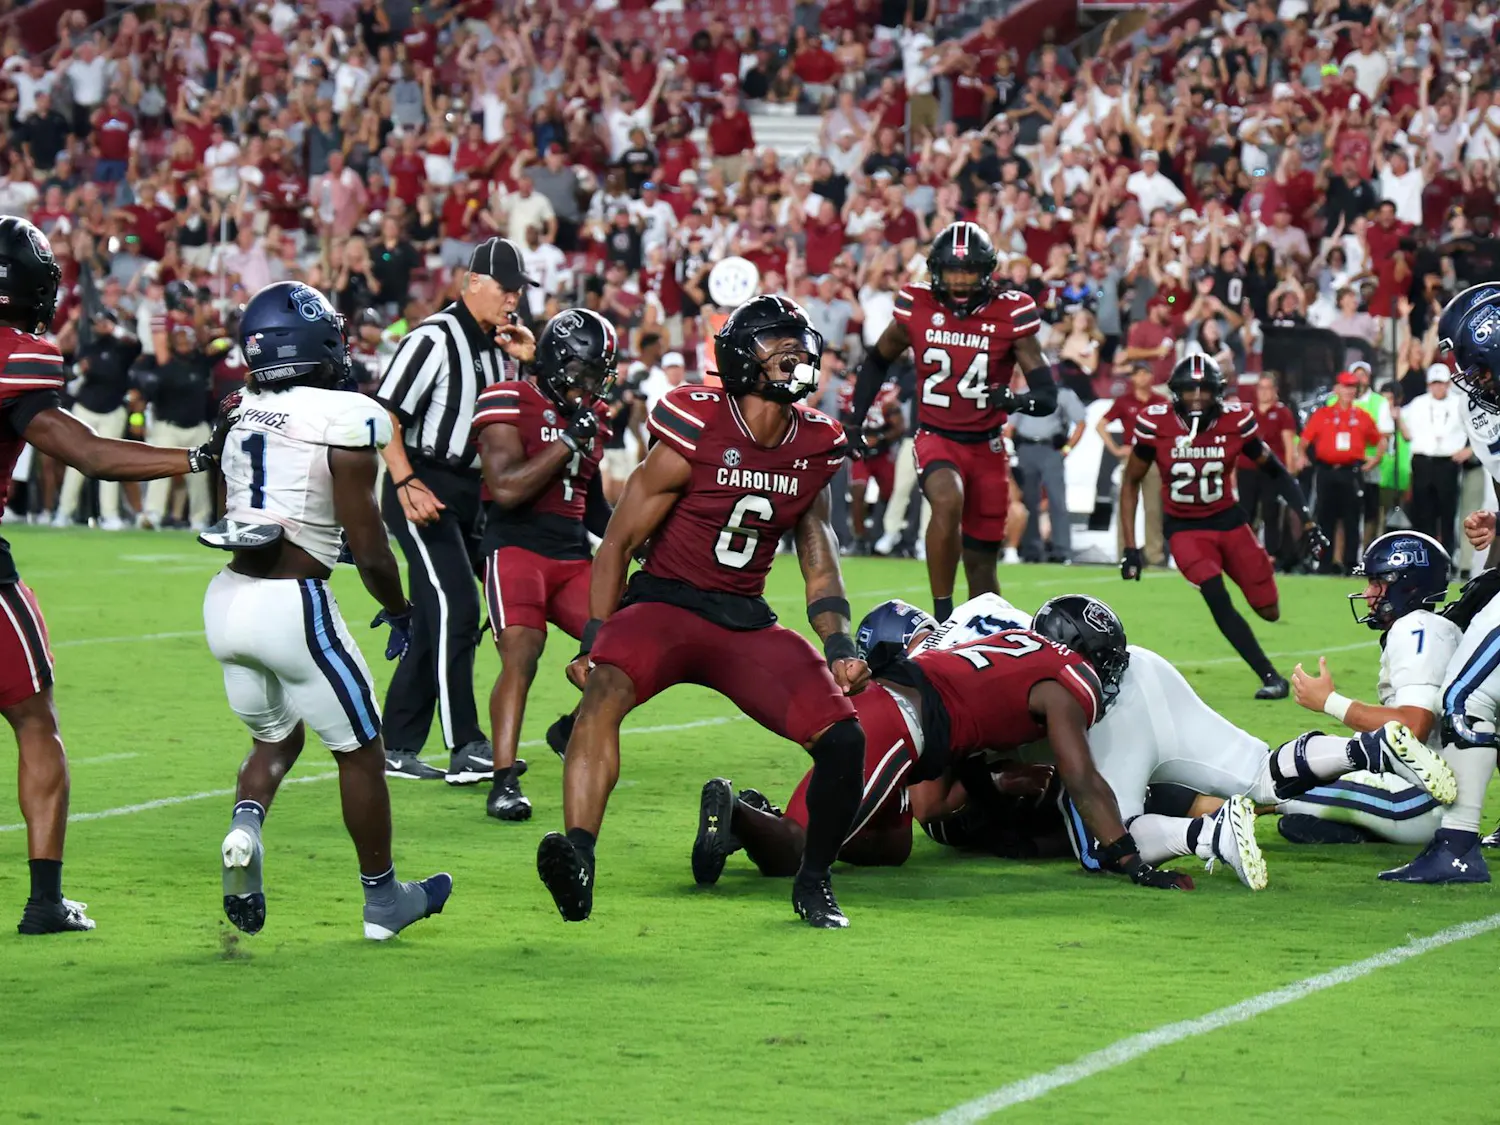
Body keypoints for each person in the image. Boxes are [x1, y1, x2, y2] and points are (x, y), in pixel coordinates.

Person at [537, 295, 868, 929]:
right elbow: (620, 544)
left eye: (800, 343)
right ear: (744, 358)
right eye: (780, 344)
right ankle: (578, 857)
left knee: (845, 738)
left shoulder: (816, 443)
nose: (797, 355)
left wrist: (838, 643)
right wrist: (593, 638)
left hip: (744, 617)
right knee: (603, 690)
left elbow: (818, 559)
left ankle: (815, 882)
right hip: (664, 603)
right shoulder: (695, 425)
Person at [0, 217, 229, 934]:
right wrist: (194, 459)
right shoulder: (21, 353)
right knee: (35, 717)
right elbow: (86, 452)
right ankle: (44, 901)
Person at [204, 280, 451, 940]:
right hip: (293, 602)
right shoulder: (344, 413)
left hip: (226, 600)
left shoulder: (240, 406)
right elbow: (368, 546)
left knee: (276, 735)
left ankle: (245, 825)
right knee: (363, 752)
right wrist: (400, 608)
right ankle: (382, 901)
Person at [692, 597, 1196, 891]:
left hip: (894, 709)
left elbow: (970, 739)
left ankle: (762, 817)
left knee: (892, 846)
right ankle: (735, 811)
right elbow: (1081, 778)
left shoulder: (1013, 645)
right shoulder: (1070, 678)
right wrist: (1132, 861)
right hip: (899, 719)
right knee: (797, 855)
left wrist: (993, 795)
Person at [374, 237, 538, 784]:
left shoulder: (505, 345)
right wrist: (405, 482)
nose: (513, 299)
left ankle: (394, 744)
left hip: (478, 493)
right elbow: (385, 417)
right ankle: (465, 742)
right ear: (472, 283)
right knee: (458, 609)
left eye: (519, 289)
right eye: (506, 288)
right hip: (425, 482)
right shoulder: (434, 338)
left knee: (443, 616)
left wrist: (533, 364)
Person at [847, 221, 1056, 623]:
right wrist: (854, 421)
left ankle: (987, 635)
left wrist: (1015, 400)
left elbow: (1046, 395)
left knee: (983, 569)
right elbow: (877, 360)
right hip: (937, 435)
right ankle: (942, 618)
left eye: (969, 272)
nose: (960, 282)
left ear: (988, 272)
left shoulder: (1011, 312)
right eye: (952, 272)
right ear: (935, 272)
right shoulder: (917, 304)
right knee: (947, 498)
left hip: (988, 446)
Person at [470, 309, 616, 821]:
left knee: (627, 646)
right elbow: (506, 489)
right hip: (516, 550)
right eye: (585, 372)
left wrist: (640, 538)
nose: (593, 384)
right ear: (558, 362)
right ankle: (503, 779)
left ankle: (570, 728)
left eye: (600, 374)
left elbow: (593, 505)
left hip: (574, 554)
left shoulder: (592, 419)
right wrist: (566, 443)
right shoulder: (507, 399)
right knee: (521, 653)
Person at [1120, 355, 1325, 699]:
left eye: (1204, 390)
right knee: (1216, 594)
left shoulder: (1235, 421)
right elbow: (1130, 483)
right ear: (1175, 392)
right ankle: (1270, 676)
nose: (1197, 397)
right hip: (1185, 529)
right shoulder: (1156, 424)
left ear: (1218, 392)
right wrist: (1130, 548)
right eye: (1189, 390)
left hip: (1230, 522)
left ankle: (1266, 658)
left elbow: (1275, 470)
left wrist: (1306, 518)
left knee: (1269, 610)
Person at [1398, 285, 1500, 882]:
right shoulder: (1481, 407)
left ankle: (1456, 845)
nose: (1468, 377)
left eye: (1477, 365)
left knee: (1465, 697)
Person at [1285, 532, 1460, 849]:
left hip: (1424, 799)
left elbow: (1413, 726)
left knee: (1282, 782)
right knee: (1314, 763)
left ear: (1407, 585)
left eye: (1377, 584)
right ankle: (1357, 830)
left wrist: (1330, 702)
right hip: (1431, 794)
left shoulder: (1416, 628)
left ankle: (1203, 819)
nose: (1367, 594)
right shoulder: (1431, 627)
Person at [1301, 372, 1386, 572]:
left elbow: (1380, 440)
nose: (1349, 391)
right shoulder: (1323, 414)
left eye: (1352, 387)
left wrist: (1375, 460)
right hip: (1326, 471)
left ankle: (1349, 563)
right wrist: (1301, 456)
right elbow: (1304, 441)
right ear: (1337, 389)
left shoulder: (1362, 416)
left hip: (1351, 471)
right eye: (1345, 387)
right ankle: (1324, 562)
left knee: (1352, 518)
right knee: (1324, 517)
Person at [1097, 363, 1167, 567]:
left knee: (1154, 507)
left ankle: (1155, 555)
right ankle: (1125, 552)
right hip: (1131, 456)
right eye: (1139, 374)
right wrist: (1117, 449)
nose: (1143, 378)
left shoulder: (1160, 402)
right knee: (1127, 505)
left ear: (1152, 377)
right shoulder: (1124, 401)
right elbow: (1100, 425)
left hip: (1154, 458)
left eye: (1146, 373)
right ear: (1133, 378)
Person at [1010, 383, 1086, 563]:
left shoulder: (1063, 394)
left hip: (1051, 448)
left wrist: (1067, 449)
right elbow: (1011, 425)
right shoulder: (1023, 393)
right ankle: (1031, 550)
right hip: (1025, 447)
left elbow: (1081, 422)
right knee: (1029, 501)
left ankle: (1062, 551)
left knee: (1056, 500)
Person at [1403, 365, 1470, 553]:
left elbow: (1475, 429)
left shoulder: (1460, 403)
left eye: (1441, 384)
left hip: (1447, 462)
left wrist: (1469, 450)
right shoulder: (1418, 403)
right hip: (1423, 461)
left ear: (1448, 384)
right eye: (1434, 384)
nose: (1438, 388)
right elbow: (1404, 427)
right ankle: (1422, 556)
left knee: (1447, 513)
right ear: (1428, 384)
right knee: (1422, 513)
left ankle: (1447, 557)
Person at [1235, 373, 1300, 566]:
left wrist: (1289, 471)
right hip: (1246, 468)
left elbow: (1288, 444)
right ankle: (1245, 552)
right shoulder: (1247, 412)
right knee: (1246, 512)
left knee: (1271, 512)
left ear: (1275, 391)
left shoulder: (1282, 413)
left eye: (1268, 388)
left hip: (1271, 469)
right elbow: (1238, 444)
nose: (1264, 392)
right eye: (1261, 388)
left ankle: (1272, 553)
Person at [835, 369, 903, 552]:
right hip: (861, 452)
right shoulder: (848, 396)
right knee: (857, 491)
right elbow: (842, 424)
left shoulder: (887, 397)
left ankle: (884, 532)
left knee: (890, 494)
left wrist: (880, 437)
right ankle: (859, 538)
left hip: (882, 452)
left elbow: (900, 427)